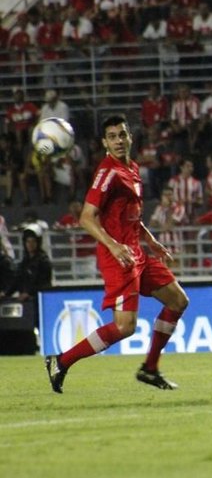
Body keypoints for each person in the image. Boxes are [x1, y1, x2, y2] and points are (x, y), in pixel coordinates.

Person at [45, 115, 190, 394]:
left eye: (122, 134)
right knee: (125, 328)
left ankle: (150, 368)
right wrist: (112, 245)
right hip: (119, 257)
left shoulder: (132, 169)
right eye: (112, 136)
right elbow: (86, 218)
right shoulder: (107, 173)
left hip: (136, 253)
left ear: (130, 137)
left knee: (178, 301)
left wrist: (151, 241)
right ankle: (61, 362)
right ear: (104, 143)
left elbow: (131, 216)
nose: (119, 140)